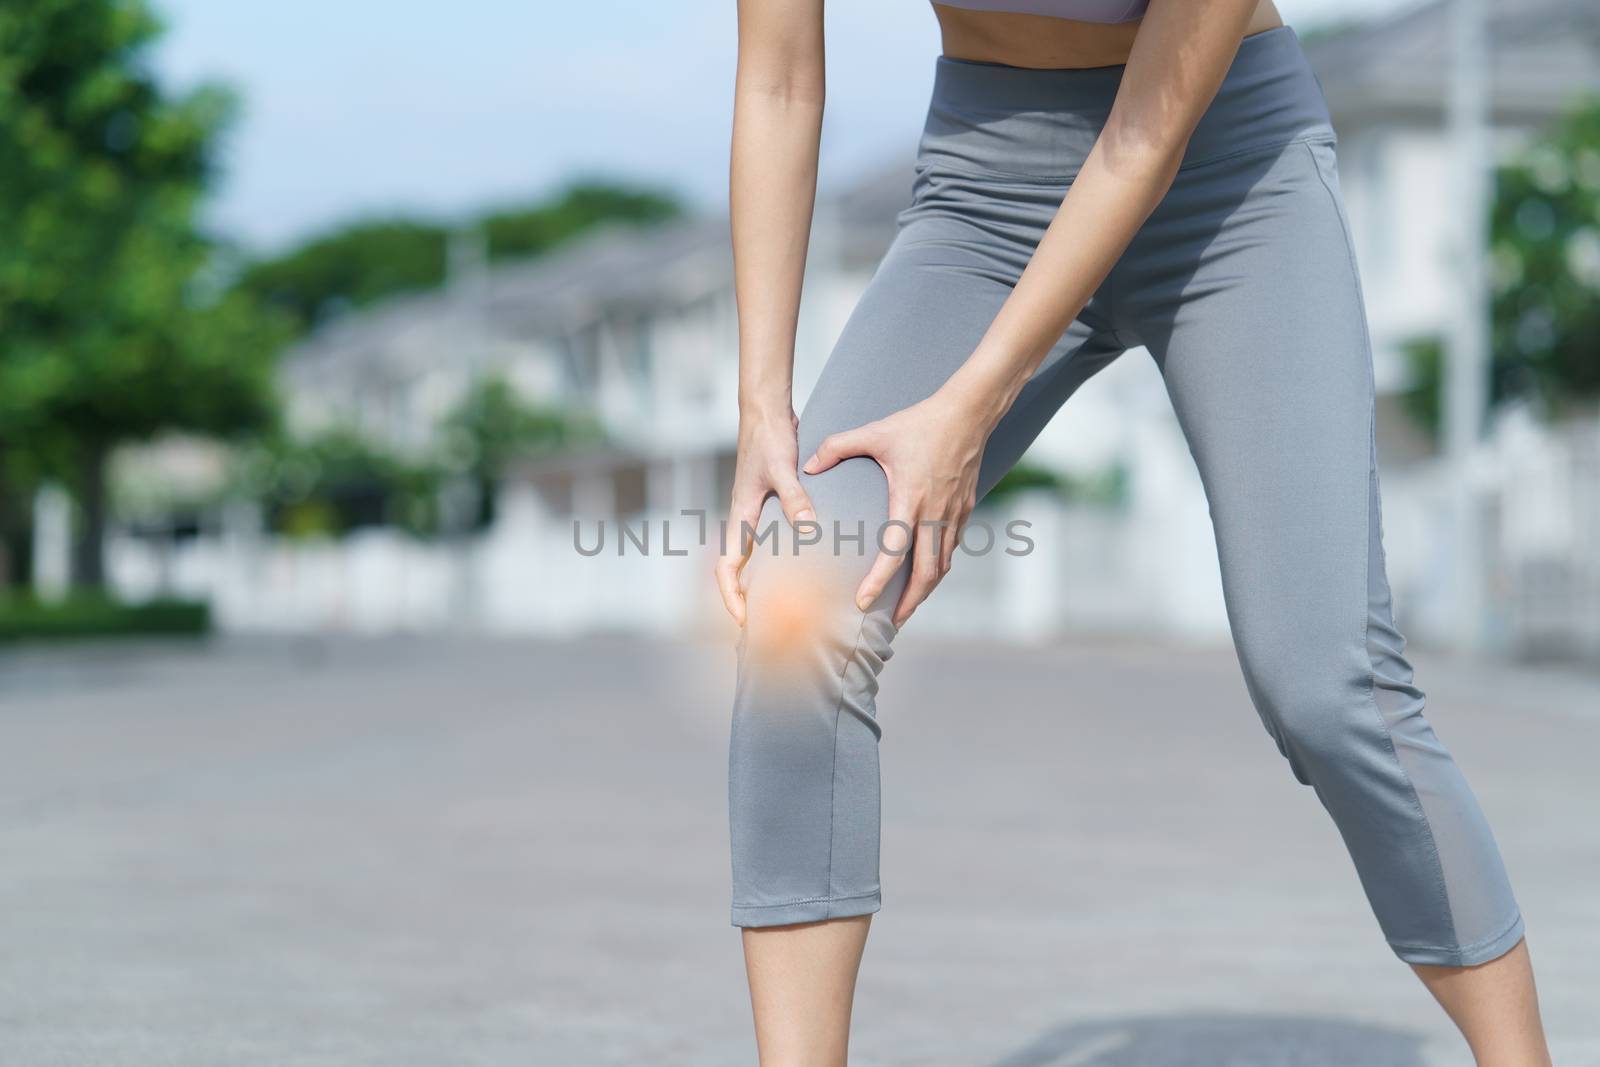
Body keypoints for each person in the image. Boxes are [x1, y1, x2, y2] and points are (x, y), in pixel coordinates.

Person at [715, 1, 1554, 1064]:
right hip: (982, 192)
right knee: (800, 606)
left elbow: (1143, 139)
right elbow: (780, 79)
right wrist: (760, 409)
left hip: (1225, 175)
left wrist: (967, 405)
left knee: (1325, 681)